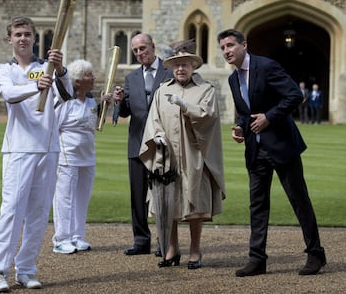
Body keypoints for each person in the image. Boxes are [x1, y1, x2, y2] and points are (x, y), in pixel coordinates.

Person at [217, 29, 326, 277]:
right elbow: (246, 113)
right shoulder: (233, 80)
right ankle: (257, 259)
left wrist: (269, 117)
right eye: (222, 48)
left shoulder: (266, 67)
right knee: (257, 206)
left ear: (244, 45)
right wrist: (240, 128)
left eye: (230, 45)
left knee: (300, 202)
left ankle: (316, 254)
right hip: (255, 150)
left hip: (282, 145)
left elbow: (294, 95)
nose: (226, 51)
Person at [0, 16, 73, 292]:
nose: (23, 38)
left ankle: (26, 269)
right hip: (19, 148)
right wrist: (37, 86)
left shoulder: (44, 68)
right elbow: (9, 94)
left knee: (37, 213)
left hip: (48, 147)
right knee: (11, 210)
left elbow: (66, 95)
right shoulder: (5, 70)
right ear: (9, 39)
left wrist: (60, 70)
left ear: (35, 38)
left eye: (28, 34)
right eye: (18, 34)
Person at [139, 39, 226, 269]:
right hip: (167, 157)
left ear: (193, 66)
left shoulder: (205, 90)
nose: (180, 68)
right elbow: (154, 119)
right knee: (169, 204)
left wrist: (185, 106)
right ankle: (171, 249)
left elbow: (208, 117)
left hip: (194, 157)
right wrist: (156, 135)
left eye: (185, 64)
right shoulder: (162, 90)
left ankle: (195, 251)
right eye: (176, 64)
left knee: (195, 206)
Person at [113, 33, 173, 256]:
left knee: (162, 194)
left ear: (153, 47)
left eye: (143, 48)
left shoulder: (169, 73)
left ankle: (165, 241)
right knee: (137, 195)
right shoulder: (131, 78)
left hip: (163, 142)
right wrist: (120, 101)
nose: (139, 53)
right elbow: (127, 110)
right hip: (137, 141)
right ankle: (141, 240)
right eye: (136, 50)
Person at [52, 59, 111, 254]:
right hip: (67, 155)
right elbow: (54, 128)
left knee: (82, 197)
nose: (93, 78)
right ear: (77, 81)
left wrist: (106, 103)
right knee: (64, 197)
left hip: (88, 155)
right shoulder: (65, 101)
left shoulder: (92, 100)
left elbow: (95, 124)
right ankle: (61, 238)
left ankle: (77, 236)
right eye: (88, 75)